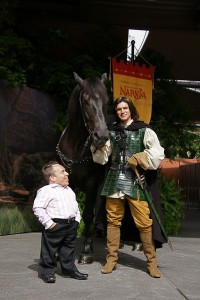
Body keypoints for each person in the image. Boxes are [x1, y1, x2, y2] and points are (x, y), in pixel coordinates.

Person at [90, 96, 165, 278]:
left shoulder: (144, 130)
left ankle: (151, 263)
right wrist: (98, 147)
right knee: (113, 221)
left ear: (130, 109)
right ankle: (111, 260)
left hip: (135, 181)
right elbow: (102, 158)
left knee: (144, 222)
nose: (122, 111)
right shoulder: (111, 131)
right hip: (114, 181)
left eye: (125, 108)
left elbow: (157, 153)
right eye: (118, 109)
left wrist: (140, 157)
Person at [33, 161, 88, 283]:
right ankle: (47, 272)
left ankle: (69, 270)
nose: (67, 173)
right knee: (49, 250)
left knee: (68, 249)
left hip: (71, 225)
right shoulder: (46, 191)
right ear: (52, 177)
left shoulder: (69, 190)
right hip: (55, 225)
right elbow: (38, 208)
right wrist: (49, 224)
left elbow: (75, 207)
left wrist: (77, 220)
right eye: (63, 172)